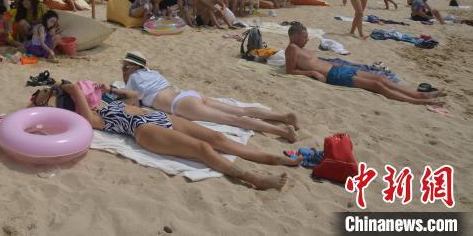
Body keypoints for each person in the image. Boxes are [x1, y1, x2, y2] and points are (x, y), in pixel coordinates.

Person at [32, 80, 295, 190]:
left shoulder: (107, 102)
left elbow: (134, 97)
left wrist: (111, 89)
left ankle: (275, 159)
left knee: (219, 139)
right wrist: (73, 90)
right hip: (144, 131)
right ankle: (255, 179)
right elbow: (88, 120)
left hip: (161, 118)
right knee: (203, 150)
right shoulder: (93, 117)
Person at [121, 51, 299, 142]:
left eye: (125, 67)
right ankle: (283, 116)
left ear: (133, 68)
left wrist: (124, 86)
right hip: (189, 94)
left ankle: (282, 131)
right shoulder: (153, 73)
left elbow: (133, 104)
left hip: (181, 104)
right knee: (240, 110)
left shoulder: (134, 79)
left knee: (234, 119)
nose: (123, 70)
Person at [285, 23, 445, 105]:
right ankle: (418, 100)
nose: (307, 39)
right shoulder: (292, 49)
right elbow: (290, 71)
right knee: (377, 85)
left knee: (380, 78)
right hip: (333, 75)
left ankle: (420, 94)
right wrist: (312, 73)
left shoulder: (299, 48)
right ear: (295, 35)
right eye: (304, 36)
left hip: (337, 69)